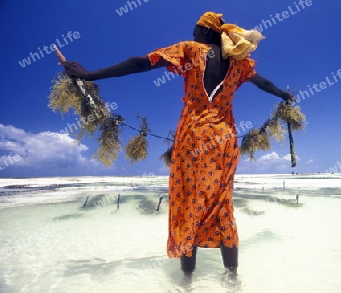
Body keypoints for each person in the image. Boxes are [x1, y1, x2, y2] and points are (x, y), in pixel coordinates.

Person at [62, 12, 294, 274]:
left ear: (205, 32)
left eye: (196, 30)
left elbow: (142, 63)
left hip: (193, 136)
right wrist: (286, 96)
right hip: (224, 139)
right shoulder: (240, 64)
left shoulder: (190, 50)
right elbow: (265, 84)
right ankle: (232, 279)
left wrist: (91, 74)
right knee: (222, 204)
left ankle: (187, 282)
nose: (193, 34)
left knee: (187, 202)